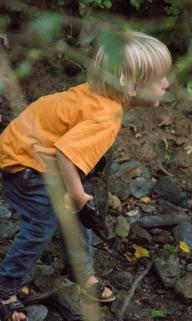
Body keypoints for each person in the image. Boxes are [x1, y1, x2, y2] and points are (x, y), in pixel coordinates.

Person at [0, 30, 171, 321]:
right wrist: (77, 195)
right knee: (43, 224)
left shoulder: (100, 97)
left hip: (29, 147)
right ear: (131, 87)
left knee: (80, 212)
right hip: (24, 163)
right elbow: (66, 153)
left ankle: (83, 272)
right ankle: (6, 287)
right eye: (160, 79)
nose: (167, 84)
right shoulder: (106, 116)